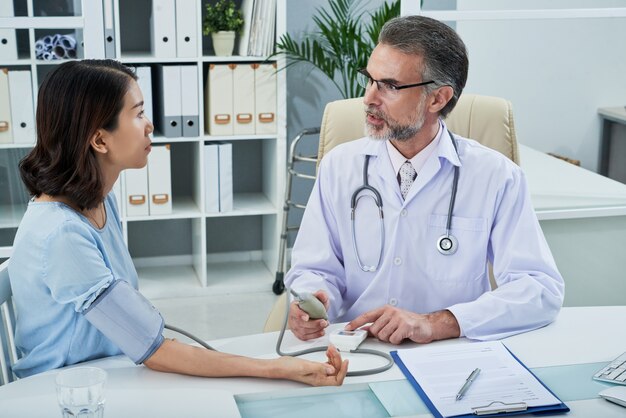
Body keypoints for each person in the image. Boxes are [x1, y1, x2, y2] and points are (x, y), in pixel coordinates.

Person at [9, 59, 348, 385]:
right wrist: (277, 369)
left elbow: (141, 339)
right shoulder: (63, 234)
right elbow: (152, 349)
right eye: (138, 113)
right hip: (63, 393)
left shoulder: (98, 202)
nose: (150, 125)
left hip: (107, 373)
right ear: (100, 140)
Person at [285, 16, 564, 344]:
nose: (368, 98)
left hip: (449, 351)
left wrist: (438, 323)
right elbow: (315, 269)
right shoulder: (339, 167)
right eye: (370, 80)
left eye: (389, 86)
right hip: (354, 347)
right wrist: (312, 302)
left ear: (438, 99)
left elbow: (539, 289)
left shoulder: (497, 177)